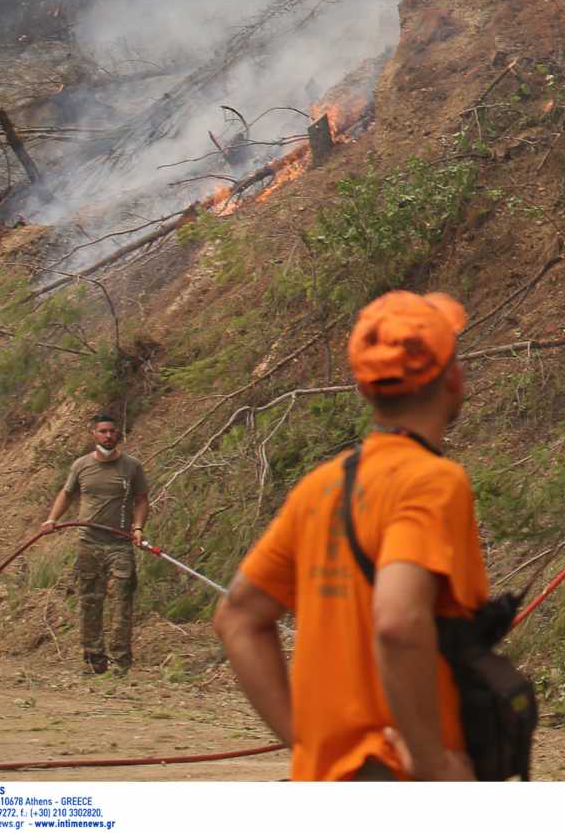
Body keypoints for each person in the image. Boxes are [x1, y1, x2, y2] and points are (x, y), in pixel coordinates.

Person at [213, 291, 492, 781]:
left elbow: (238, 615)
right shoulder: (433, 483)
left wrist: (306, 741)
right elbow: (398, 622)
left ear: (365, 391)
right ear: (453, 378)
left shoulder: (321, 487)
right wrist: (431, 766)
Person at [42, 413, 149, 675]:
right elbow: (67, 494)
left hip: (120, 543)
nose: (108, 436)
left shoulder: (132, 466)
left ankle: (121, 663)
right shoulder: (81, 465)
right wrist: (52, 520)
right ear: (93, 434)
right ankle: (94, 661)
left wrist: (137, 528)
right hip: (88, 542)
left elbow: (142, 499)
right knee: (90, 600)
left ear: (118, 434)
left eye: (112, 431)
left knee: (123, 601)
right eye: (103, 431)